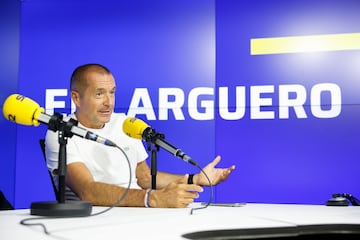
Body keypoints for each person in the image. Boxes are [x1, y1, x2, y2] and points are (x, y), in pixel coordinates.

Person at [45, 63, 235, 208]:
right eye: (99, 94)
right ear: (76, 98)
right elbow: (88, 191)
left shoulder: (125, 124)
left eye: (112, 93)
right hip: (93, 221)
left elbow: (144, 178)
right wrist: (151, 198)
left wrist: (195, 179)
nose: (109, 102)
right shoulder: (61, 131)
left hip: (136, 214)